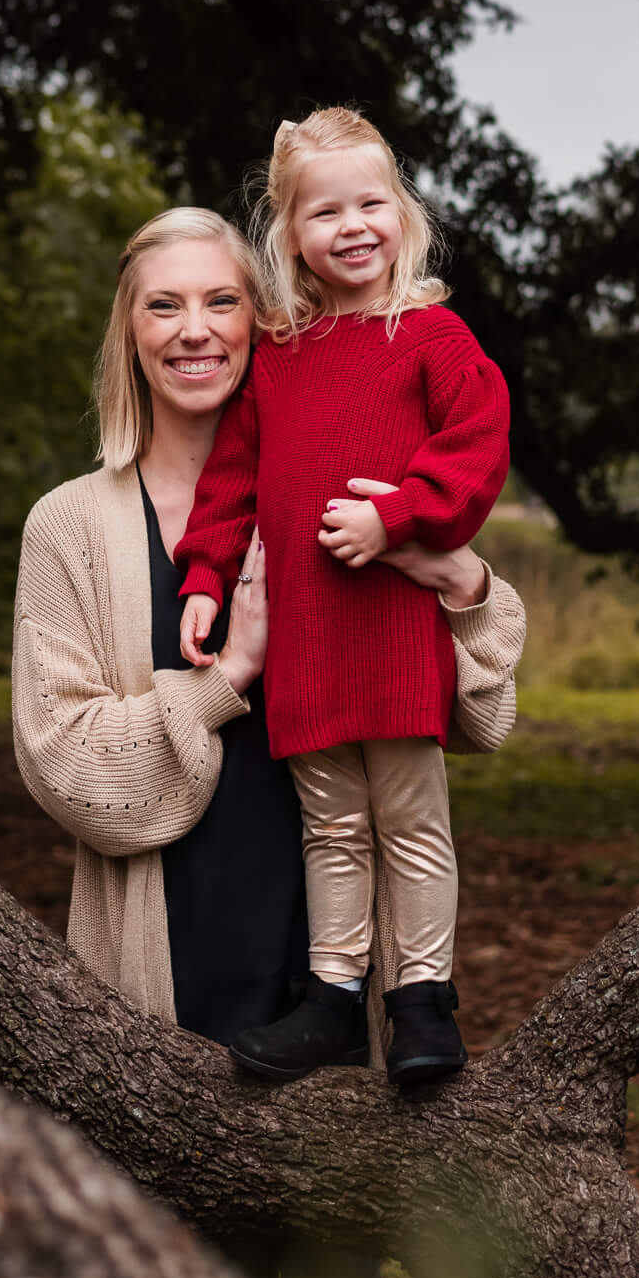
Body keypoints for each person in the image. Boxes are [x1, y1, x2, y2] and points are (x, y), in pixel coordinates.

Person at [11, 204, 524, 1278]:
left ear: (267, 319)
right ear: (128, 333)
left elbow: (483, 714)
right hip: (171, 978)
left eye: (221, 300)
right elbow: (66, 769)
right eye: (164, 304)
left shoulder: (344, 487)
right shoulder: (69, 527)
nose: (195, 330)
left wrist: (465, 581)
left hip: (328, 991)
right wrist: (225, 673)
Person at [177, 110, 511, 1086]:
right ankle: (332, 996)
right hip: (307, 638)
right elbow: (232, 482)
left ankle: (422, 1004)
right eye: (327, 211)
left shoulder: (432, 335)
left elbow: (479, 442)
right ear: (291, 237)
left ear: (402, 215)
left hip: (391, 628)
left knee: (408, 813)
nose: (352, 224)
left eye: (372, 202)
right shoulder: (278, 354)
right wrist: (204, 577)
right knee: (329, 819)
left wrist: (400, 515)